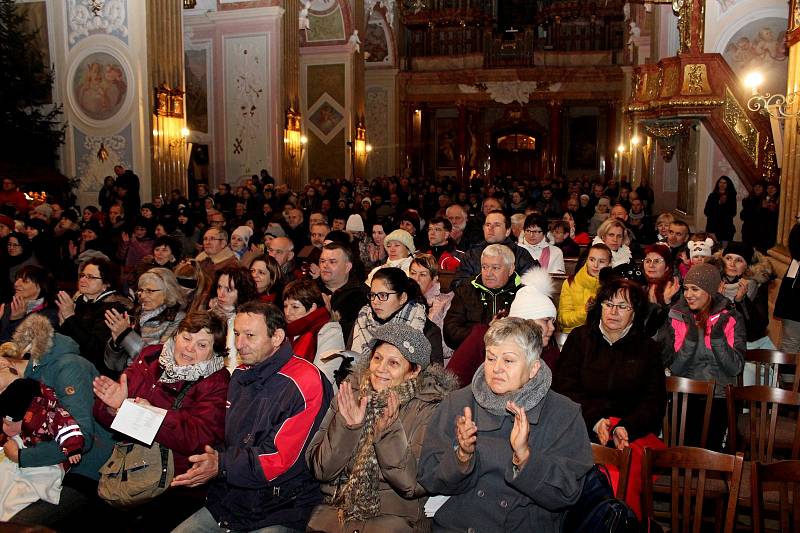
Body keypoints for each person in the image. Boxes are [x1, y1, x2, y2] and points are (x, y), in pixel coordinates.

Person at [170, 301, 333, 533]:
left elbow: (279, 460)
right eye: (236, 334)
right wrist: (210, 459)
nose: (239, 344)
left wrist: (221, 464)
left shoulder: (305, 381)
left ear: (276, 337)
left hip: (281, 506)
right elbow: (231, 440)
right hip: (233, 498)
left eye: (249, 335)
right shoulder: (241, 374)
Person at [418, 317, 593, 532]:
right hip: (458, 524)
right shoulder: (460, 402)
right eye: (491, 358)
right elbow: (429, 477)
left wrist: (525, 457)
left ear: (533, 368)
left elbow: (567, 493)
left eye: (508, 361)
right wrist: (461, 457)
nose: (496, 368)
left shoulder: (562, 414)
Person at [306, 323, 457, 532]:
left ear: (414, 371)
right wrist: (348, 428)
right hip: (334, 515)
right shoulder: (352, 394)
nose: (381, 368)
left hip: (395, 520)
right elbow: (320, 469)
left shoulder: (430, 409)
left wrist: (387, 434)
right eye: (377, 358)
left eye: (393, 362)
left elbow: (412, 486)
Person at [92, 312, 230, 530]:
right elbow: (103, 411)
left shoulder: (216, 380)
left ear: (215, 351)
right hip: (130, 466)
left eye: (202, 345)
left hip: (177, 482)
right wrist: (114, 407)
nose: (189, 349)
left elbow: (197, 436)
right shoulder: (151, 357)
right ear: (177, 335)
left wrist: (144, 414)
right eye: (186, 338)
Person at [553, 276, 665, 517]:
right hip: (581, 426)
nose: (614, 311)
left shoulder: (648, 349)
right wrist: (594, 420)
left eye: (623, 306)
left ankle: (621, 524)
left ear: (635, 313)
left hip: (630, 434)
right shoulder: (580, 339)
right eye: (608, 304)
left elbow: (653, 401)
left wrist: (625, 427)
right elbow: (564, 388)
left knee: (621, 472)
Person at [3, 314, 114, 526]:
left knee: (17, 524)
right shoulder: (33, 374)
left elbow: (81, 438)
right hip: (54, 466)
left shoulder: (69, 367)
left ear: (3, 363)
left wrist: (23, 456)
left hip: (88, 470)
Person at [656, 263, 745, 451]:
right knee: (682, 453)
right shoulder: (678, 316)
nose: (688, 295)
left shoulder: (730, 318)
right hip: (685, 394)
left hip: (719, 396)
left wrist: (718, 339)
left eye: (695, 289)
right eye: (686, 289)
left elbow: (735, 368)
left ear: (710, 291)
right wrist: (690, 340)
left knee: (711, 454)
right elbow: (676, 369)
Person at [0, 374, 85, 521]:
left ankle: (8, 512)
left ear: (24, 417)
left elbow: (67, 427)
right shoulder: (21, 418)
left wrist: (73, 448)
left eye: (7, 424)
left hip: (48, 463)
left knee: (26, 487)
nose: (4, 427)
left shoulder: (50, 415)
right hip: (28, 445)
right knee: (5, 473)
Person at [351, 267, 444, 366]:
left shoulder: (427, 331)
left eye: (383, 295)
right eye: (373, 295)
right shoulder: (362, 320)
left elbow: (434, 378)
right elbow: (347, 367)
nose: (375, 301)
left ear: (402, 298)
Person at [55, 258, 133, 376]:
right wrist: (63, 324)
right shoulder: (79, 302)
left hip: (97, 372)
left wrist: (70, 318)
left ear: (106, 284)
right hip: (70, 362)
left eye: (90, 277)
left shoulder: (113, 309)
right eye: (82, 275)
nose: (83, 280)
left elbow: (95, 350)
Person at [104, 268, 187, 372]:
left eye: (150, 291)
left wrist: (125, 335)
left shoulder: (178, 319)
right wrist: (116, 343)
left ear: (168, 291)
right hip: (128, 378)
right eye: (141, 290)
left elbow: (157, 362)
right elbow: (113, 365)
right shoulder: (136, 314)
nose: (142, 296)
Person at [452, 210, 537, 289]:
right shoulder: (472, 254)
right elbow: (458, 283)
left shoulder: (521, 254)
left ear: (507, 231)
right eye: (488, 225)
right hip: (478, 301)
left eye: (497, 225)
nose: (490, 228)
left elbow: (531, 286)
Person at [282, 280, 345, 385]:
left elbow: (324, 378)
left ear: (312, 307)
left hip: (314, 394)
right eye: (285, 306)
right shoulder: (285, 333)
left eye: (295, 307)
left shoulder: (330, 332)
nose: (287, 312)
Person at [716, 242, 774, 351]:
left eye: (739, 260)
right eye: (728, 258)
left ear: (747, 266)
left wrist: (742, 301)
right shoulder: (712, 281)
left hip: (745, 346)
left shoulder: (756, 286)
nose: (732, 264)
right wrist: (718, 299)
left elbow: (759, 326)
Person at [207, 266, 258, 373]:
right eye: (219, 287)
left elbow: (235, 363)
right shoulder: (208, 315)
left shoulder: (252, 322)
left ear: (242, 292)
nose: (221, 294)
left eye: (228, 290)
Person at [317, 243, 369, 342]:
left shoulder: (363, 294)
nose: (325, 265)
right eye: (322, 261)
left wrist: (331, 317)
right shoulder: (309, 290)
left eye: (332, 262)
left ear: (347, 267)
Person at [409, 254, 455, 363]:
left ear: (434, 279)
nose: (416, 279)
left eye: (423, 275)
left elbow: (447, 349)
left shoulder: (445, 302)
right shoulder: (403, 298)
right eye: (413, 273)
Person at [557, 243, 612, 336]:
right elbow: (563, 319)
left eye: (601, 261)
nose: (595, 265)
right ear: (586, 260)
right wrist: (585, 312)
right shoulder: (570, 283)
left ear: (609, 263)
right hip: (574, 335)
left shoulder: (614, 286)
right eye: (591, 260)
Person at [0, 265, 58, 342]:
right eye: (17, 279)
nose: (16, 284)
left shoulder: (50, 314)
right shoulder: (8, 307)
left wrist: (15, 320)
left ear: (40, 286)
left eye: (25, 281)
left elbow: (24, 344)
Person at [775, 222, 800, 353]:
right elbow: (796, 249)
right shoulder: (798, 230)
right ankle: (787, 374)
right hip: (795, 300)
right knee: (791, 346)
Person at [704, 176, 737, 244]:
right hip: (712, 228)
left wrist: (724, 205)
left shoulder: (731, 197)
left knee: (724, 251)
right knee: (712, 250)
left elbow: (733, 212)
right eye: (720, 182)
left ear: (728, 184)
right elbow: (706, 211)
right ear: (718, 184)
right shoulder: (712, 196)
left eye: (724, 183)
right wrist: (718, 203)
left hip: (726, 228)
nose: (722, 185)